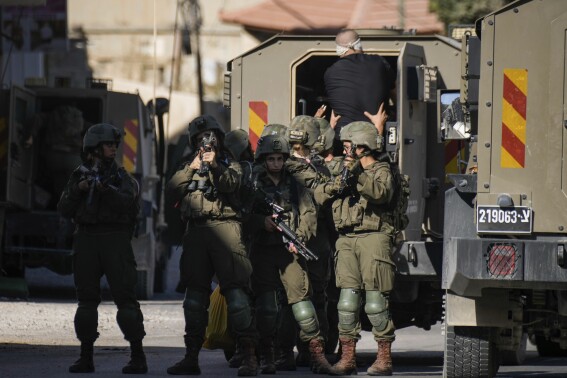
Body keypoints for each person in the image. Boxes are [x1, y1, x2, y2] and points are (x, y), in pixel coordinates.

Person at [166, 115, 258, 376]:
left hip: (225, 229)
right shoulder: (189, 165)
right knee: (194, 299)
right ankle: (191, 357)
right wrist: (192, 167)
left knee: (237, 296)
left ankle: (249, 356)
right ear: (194, 142)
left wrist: (215, 164)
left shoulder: (233, 164)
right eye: (201, 138)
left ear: (219, 137)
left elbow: (231, 183)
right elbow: (172, 189)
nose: (207, 141)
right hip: (196, 232)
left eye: (211, 136)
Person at [57, 123, 147, 374]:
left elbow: (127, 203)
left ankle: (138, 356)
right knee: (86, 303)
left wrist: (106, 192)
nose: (113, 149)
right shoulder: (80, 175)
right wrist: (79, 189)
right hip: (86, 239)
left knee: (126, 303)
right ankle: (86, 357)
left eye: (115, 144)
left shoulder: (121, 177)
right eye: (109, 145)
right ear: (94, 149)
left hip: (115, 240)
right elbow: (64, 207)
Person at [244, 133, 333, 375]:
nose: (275, 163)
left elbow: (309, 213)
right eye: (270, 159)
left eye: (279, 158)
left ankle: (316, 354)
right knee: (265, 308)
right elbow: (240, 215)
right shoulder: (253, 185)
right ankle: (267, 356)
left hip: (289, 251)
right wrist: (261, 222)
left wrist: (300, 237)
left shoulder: (295, 183)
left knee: (302, 303)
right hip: (262, 251)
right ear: (263, 159)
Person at [314, 121, 397, 376]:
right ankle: (347, 357)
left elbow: (382, 194)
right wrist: (335, 184)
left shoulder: (382, 170)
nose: (345, 149)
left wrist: (358, 173)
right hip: (346, 239)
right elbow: (318, 193)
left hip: (374, 238)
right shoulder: (340, 168)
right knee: (346, 302)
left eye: (350, 144)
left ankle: (384, 359)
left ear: (363, 146)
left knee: (374, 302)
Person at [284, 115, 334, 367]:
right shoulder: (283, 166)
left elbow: (323, 206)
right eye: (295, 149)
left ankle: (314, 351)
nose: (299, 153)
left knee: (316, 297)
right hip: (290, 240)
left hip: (315, 242)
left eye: (302, 148)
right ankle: (287, 351)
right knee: (291, 298)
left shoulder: (318, 169)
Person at [324, 29, 396, 136]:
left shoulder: (330, 72)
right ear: (357, 44)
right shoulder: (379, 62)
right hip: (374, 133)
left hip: (343, 137)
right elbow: (397, 95)